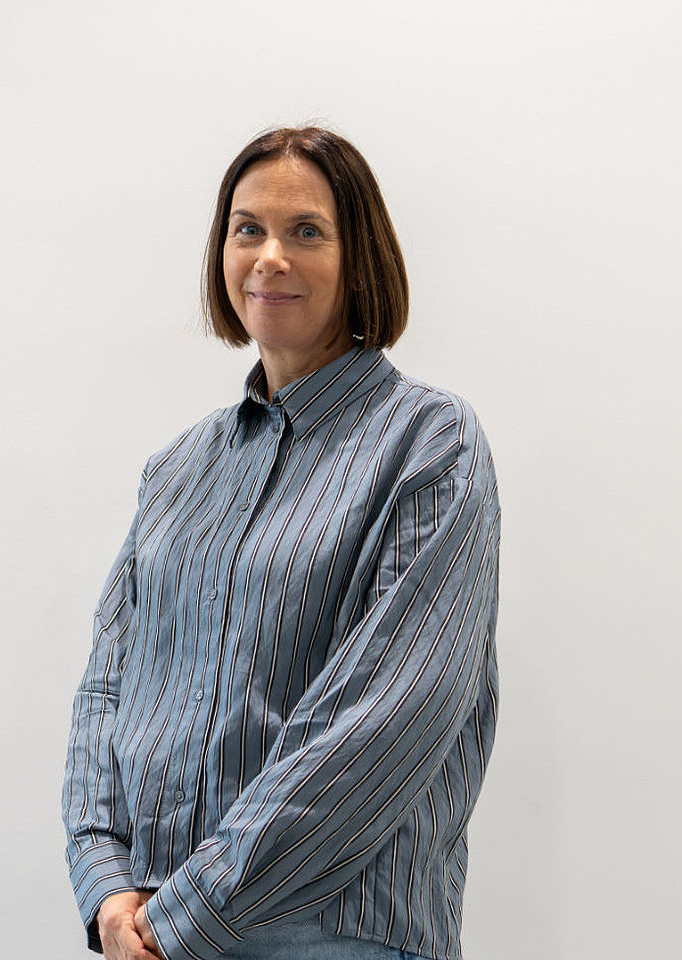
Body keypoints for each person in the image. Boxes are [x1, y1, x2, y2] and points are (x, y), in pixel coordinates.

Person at [62, 126, 502, 960]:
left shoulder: (429, 442)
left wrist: (191, 909)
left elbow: (389, 717)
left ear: (360, 257)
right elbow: (106, 686)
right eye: (247, 229)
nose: (270, 257)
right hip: (148, 925)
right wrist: (105, 878)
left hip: (331, 934)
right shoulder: (179, 468)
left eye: (306, 230)